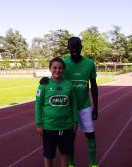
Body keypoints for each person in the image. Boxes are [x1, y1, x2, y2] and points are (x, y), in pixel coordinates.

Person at [40, 37, 99, 167]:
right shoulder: (64, 63)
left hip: (84, 106)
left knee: (90, 134)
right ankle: (71, 164)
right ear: (68, 48)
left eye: (77, 47)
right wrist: (45, 79)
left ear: (81, 47)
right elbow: (55, 72)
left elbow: (94, 85)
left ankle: (93, 164)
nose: (75, 50)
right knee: (69, 138)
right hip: (67, 108)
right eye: (72, 47)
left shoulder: (89, 63)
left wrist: (96, 107)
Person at [35, 57, 78, 167]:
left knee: (66, 153)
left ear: (63, 69)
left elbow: (73, 104)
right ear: (50, 69)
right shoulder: (43, 85)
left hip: (66, 127)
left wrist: (75, 121)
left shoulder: (69, 85)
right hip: (49, 127)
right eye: (54, 67)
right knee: (48, 155)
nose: (57, 70)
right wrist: (39, 124)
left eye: (60, 68)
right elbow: (38, 105)